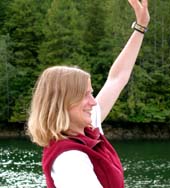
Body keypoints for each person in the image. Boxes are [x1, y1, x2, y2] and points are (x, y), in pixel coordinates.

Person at [27, 0, 150, 187]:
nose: (93, 102)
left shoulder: (86, 131)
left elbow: (117, 78)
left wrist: (140, 27)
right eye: (85, 95)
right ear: (63, 102)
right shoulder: (69, 159)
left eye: (91, 93)